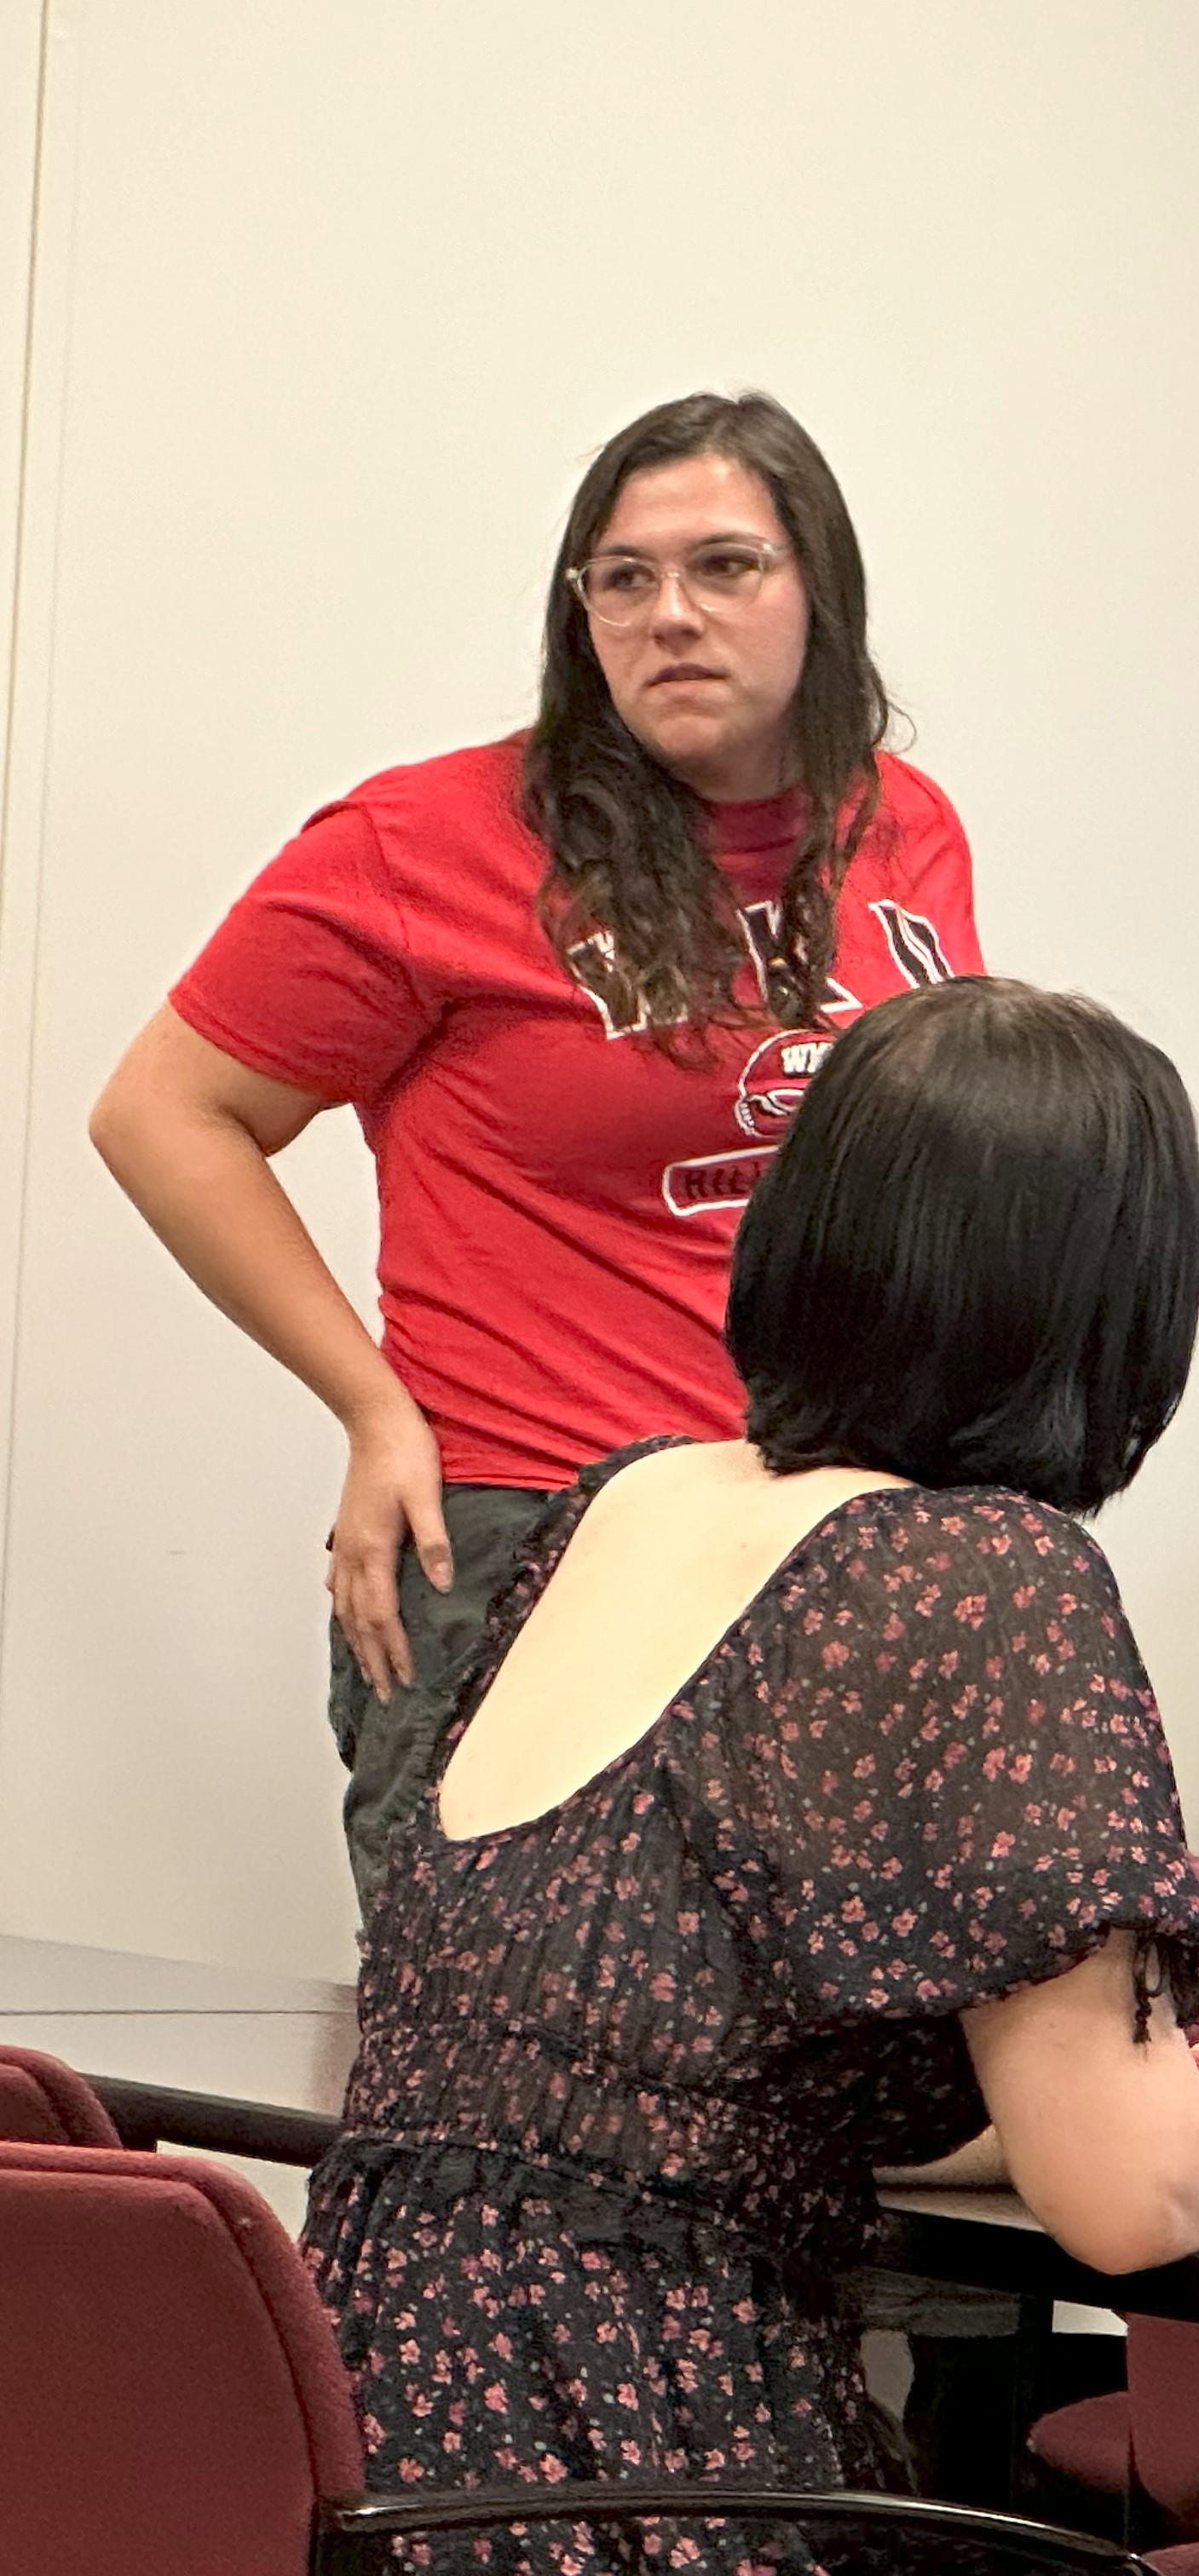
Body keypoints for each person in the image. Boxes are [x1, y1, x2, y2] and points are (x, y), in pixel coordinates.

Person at [299, 980, 1199, 2569]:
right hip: (642, 2460)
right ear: (1106, 1309)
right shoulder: (981, 1570)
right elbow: (1126, 2198)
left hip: (372, 2439)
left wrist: (1143, 2085)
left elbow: (696, 2079)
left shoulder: (624, 1501)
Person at [89, 390, 981, 1903]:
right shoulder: (429, 839)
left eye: (724, 567)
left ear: (820, 590)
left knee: (797, 2083)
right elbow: (164, 1111)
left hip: (815, 1532)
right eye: (621, 579)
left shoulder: (902, 826)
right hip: (528, 1534)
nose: (669, 616)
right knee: (496, 2085)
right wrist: (374, 1406)